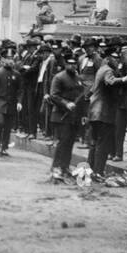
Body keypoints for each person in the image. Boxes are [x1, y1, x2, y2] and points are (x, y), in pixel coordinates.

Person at [88, 48, 127, 178]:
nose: (117, 61)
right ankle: (98, 172)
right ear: (108, 59)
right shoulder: (108, 70)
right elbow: (111, 81)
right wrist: (126, 79)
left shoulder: (101, 69)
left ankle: (91, 169)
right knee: (103, 144)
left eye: (118, 58)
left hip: (94, 111)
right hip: (104, 112)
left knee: (95, 143)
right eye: (114, 58)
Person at [46, 49, 84, 182]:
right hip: (61, 115)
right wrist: (66, 103)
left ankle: (65, 166)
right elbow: (54, 95)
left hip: (73, 117)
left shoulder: (78, 78)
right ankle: (56, 168)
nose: (72, 66)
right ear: (65, 64)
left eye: (74, 64)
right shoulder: (59, 77)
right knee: (62, 142)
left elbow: (80, 95)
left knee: (69, 142)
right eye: (70, 64)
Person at [0, 53, 20, 157]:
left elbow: (20, 90)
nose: (10, 61)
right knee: (0, 124)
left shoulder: (16, 74)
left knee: (7, 127)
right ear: (3, 60)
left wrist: (19, 102)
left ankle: (4, 147)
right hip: (0, 103)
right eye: (7, 59)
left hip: (11, 104)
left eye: (11, 59)